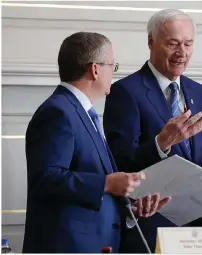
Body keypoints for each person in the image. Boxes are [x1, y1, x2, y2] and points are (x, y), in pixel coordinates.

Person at [103, 9, 202, 253]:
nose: (182, 53)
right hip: (151, 223)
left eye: (188, 44)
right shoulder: (125, 92)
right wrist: (162, 143)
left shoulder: (201, 93)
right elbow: (120, 161)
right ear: (151, 41)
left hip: (200, 224)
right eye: (173, 43)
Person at [22, 32, 171, 253]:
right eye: (113, 65)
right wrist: (107, 183)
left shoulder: (81, 111)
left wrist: (130, 211)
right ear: (95, 69)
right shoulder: (58, 112)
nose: (114, 73)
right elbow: (45, 178)